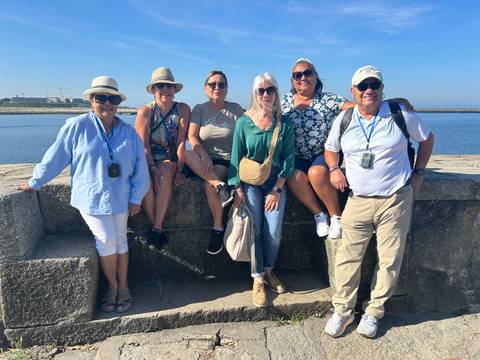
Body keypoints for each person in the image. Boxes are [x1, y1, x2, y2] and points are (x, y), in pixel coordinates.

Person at [18, 76, 150, 313]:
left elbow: (141, 168)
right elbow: (55, 157)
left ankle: (124, 287)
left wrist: (136, 197)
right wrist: (35, 181)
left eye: (113, 99)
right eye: (101, 98)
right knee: (106, 239)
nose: (108, 103)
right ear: (91, 100)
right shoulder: (76, 126)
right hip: (92, 197)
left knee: (121, 240)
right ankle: (112, 287)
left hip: (121, 197)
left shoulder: (129, 133)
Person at [323, 65, 434, 338]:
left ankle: (374, 312)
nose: (369, 90)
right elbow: (329, 149)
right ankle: (343, 310)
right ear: (354, 91)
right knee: (347, 257)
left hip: (395, 199)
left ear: (382, 89)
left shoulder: (400, 114)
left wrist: (418, 172)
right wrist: (335, 169)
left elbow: (427, 140)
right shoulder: (345, 119)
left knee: (389, 259)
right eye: (363, 86)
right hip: (358, 198)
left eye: (374, 85)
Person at [229, 73, 294, 308]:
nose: (266, 94)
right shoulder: (244, 122)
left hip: (275, 182)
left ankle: (269, 270)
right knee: (255, 228)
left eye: (270, 90)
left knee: (274, 228)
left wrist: (277, 189)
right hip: (250, 182)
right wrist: (236, 186)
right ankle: (257, 278)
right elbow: (236, 156)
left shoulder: (284, 123)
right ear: (254, 94)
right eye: (261, 91)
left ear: (277, 92)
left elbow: (288, 159)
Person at [281, 58, 353, 239]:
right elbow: (263, 114)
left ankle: (336, 216)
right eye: (297, 75)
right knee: (293, 175)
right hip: (297, 155)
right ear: (292, 81)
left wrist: (393, 105)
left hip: (325, 153)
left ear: (315, 77)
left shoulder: (328, 99)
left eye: (307, 73)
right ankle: (319, 215)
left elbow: (359, 108)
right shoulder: (284, 102)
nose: (303, 77)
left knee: (316, 173)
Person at [184, 70, 244, 255]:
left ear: (226, 88)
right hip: (203, 157)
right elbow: (192, 137)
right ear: (205, 88)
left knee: (207, 186)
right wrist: (203, 155)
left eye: (221, 84)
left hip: (225, 160)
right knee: (186, 153)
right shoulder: (200, 109)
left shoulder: (235, 110)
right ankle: (221, 187)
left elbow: (246, 135)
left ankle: (218, 228)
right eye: (212, 84)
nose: (217, 87)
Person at [135, 67, 190, 251]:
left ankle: (156, 228)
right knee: (146, 185)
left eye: (169, 86)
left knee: (165, 175)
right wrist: (151, 167)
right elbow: (143, 145)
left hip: (169, 157)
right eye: (160, 86)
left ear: (174, 89)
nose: (165, 90)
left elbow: (182, 142)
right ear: (153, 90)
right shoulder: (146, 111)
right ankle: (157, 228)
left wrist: (181, 168)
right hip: (148, 157)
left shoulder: (182, 109)